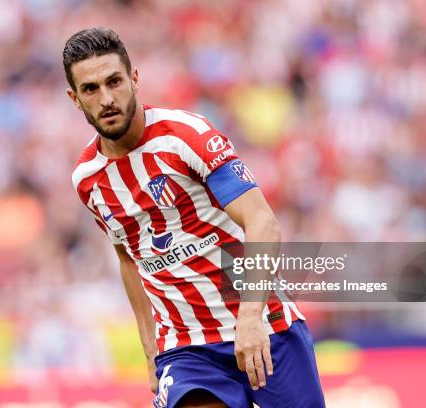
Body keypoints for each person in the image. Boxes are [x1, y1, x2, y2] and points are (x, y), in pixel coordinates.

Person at [64, 27, 325, 408]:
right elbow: (127, 256)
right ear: (75, 99)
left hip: (264, 324)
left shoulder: (186, 138)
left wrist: (250, 317)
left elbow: (262, 222)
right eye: (91, 89)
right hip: (187, 349)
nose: (106, 99)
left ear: (134, 79)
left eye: (114, 82)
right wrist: (149, 345)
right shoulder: (87, 179)